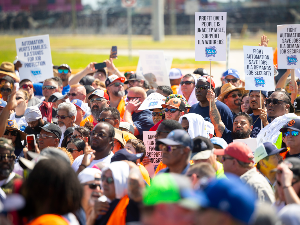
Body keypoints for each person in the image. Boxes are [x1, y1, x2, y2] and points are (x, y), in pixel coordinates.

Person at [20, 158, 82, 225]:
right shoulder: (65, 219)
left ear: (48, 190)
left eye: (30, 176)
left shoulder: (49, 222)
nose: (24, 181)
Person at [190, 76, 233, 143]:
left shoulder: (222, 108)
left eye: (202, 87)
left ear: (212, 90)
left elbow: (230, 133)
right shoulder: (193, 109)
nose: (198, 90)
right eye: (197, 87)